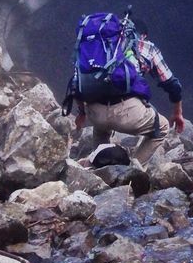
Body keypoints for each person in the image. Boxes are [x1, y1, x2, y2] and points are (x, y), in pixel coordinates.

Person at [72, 28, 186, 167]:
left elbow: (77, 83)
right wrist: (177, 112)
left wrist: (82, 112)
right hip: (127, 114)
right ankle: (132, 169)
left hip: (95, 112)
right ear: (143, 35)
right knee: (162, 127)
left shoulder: (100, 46)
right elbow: (171, 83)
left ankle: (97, 167)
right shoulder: (146, 47)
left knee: (101, 128)